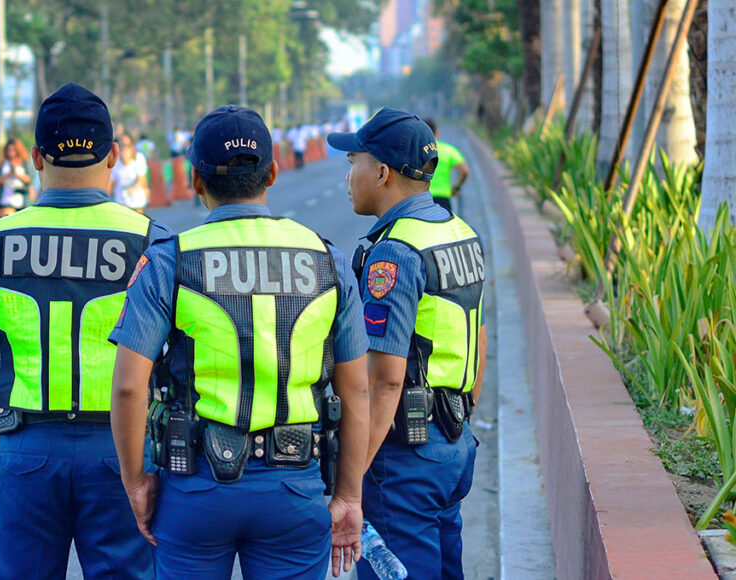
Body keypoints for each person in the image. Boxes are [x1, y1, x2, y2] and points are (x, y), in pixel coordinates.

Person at [110, 105, 371, 579]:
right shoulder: (326, 258)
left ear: (195, 180)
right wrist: (349, 495)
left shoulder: (171, 260)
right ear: (272, 172)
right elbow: (356, 391)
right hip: (293, 487)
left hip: (196, 490)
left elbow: (130, 387)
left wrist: (136, 483)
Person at [0, 83, 170, 579]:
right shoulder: (153, 240)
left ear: (36, 158)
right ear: (112, 156)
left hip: (24, 453)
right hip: (123, 452)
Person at [327, 109, 487, 580]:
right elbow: (476, 337)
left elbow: (384, 379)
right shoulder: (459, 232)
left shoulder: (396, 250)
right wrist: (458, 420)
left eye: (353, 160)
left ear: (381, 173)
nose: (348, 175)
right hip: (452, 442)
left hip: (401, 457)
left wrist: (350, 484)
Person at [424, 119, 471, 213]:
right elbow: (465, 171)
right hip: (443, 198)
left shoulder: (416, 151)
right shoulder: (448, 150)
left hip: (422, 198)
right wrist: (457, 187)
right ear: (437, 132)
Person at [109, 133, 149, 213]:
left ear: (132, 147)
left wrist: (130, 190)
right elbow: (111, 184)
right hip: (121, 204)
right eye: (121, 145)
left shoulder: (139, 158)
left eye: (126, 145)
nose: (124, 148)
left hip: (137, 203)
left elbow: (141, 181)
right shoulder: (115, 162)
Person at [0, 138, 32, 215]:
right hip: (6, 200)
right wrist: (8, 174)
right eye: (9, 150)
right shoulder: (3, 163)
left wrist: (17, 174)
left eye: (13, 150)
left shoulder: (23, 162)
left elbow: (29, 179)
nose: (11, 152)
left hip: (20, 201)